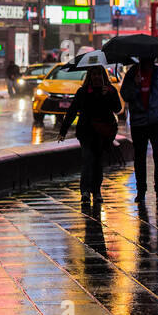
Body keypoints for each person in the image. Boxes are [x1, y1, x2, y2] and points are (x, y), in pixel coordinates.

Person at [56, 66, 122, 213]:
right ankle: (85, 191)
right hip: (86, 132)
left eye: (99, 74)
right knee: (87, 160)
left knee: (98, 162)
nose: (97, 77)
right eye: (94, 74)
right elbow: (72, 111)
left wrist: (110, 94)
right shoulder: (83, 92)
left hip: (103, 134)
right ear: (90, 77)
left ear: (103, 76)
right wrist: (63, 130)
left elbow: (117, 109)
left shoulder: (110, 91)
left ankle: (96, 191)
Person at [121, 58, 158, 201]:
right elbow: (125, 95)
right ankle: (141, 191)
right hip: (138, 123)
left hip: (157, 121)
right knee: (139, 157)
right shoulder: (132, 73)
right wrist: (135, 84)